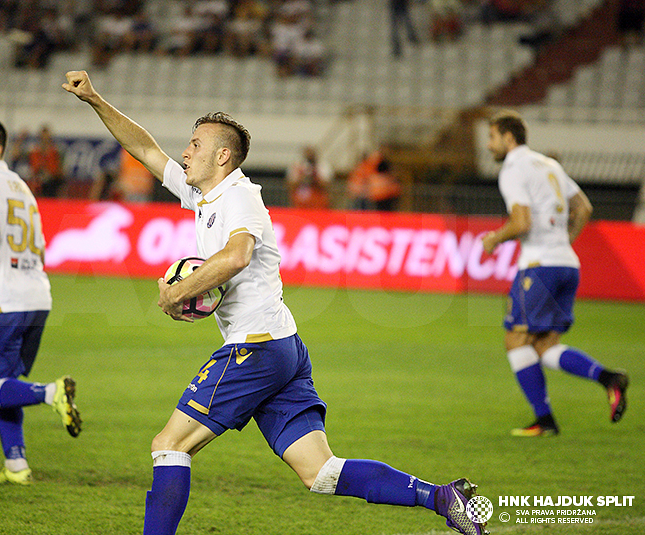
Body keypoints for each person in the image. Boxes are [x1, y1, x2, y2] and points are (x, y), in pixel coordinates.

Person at [63, 70, 486, 535]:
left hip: (255, 348)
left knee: (169, 445)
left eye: (195, 145)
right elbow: (144, 148)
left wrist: (180, 291)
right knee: (320, 472)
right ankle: (444, 497)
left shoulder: (240, 196)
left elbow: (238, 255)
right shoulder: (203, 194)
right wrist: (95, 100)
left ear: (222, 156)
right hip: (283, 348)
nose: (185, 152)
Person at [482, 110, 629, 437]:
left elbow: (522, 223)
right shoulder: (549, 165)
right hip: (566, 263)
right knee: (545, 347)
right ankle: (608, 379)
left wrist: (494, 238)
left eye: (492, 137)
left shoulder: (513, 169)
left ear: (509, 138)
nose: (489, 144)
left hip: (539, 266)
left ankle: (545, 419)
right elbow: (584, 208)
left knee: (515, 339)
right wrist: (562, 242)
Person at [0, 119, 82, 484]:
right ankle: (16, 466)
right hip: (37, 295)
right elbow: (35, 246)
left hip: (5, 301)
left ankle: (51, 392)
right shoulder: (21, 187)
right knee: (4, 386)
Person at [285, 145, 332, 209]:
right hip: (300, 200)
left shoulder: (322, 166)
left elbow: (326, 185)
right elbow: (291, 184)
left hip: (317, 200)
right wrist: (301, 176)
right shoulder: (298, 165)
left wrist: (315, 175)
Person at [28, 125, 64, 198]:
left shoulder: (55, 152)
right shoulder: (35, 152)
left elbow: (58, 169)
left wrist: (51, 173)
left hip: (52, 180)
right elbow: (33, 167)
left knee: (56, 183)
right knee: (35, 183)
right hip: (39, 179)